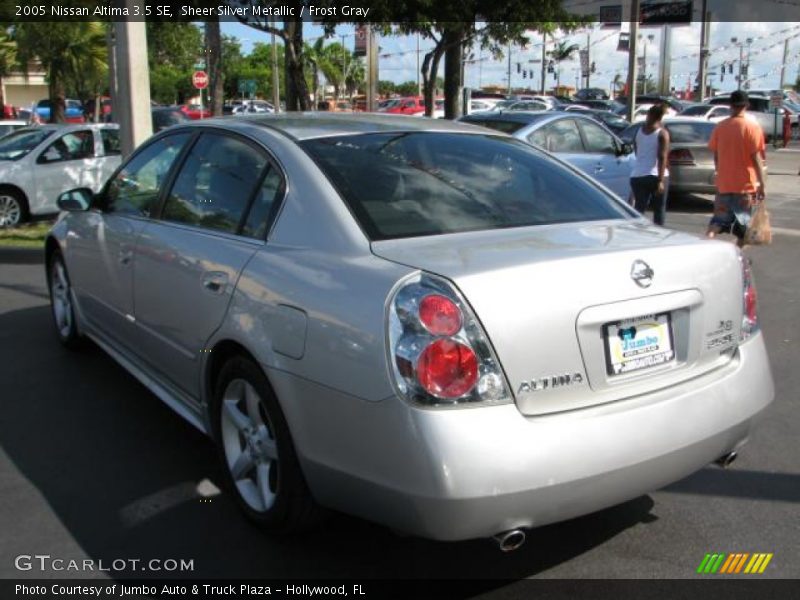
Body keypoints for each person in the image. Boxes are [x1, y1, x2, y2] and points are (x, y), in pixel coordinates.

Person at [706, 90, 766, 247]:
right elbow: (756, 158)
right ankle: (737, 256)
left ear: (730, 106)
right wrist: (762, 184)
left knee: (718, 222)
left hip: (724, 184)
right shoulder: (753, 128)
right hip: (745, 186)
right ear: (746, 105)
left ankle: (708, 241)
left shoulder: (720, 127)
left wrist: (720, 172)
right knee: (743, 229)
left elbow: (716, 155)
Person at [630, 104, 670, 226]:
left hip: (638, 175)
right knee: (659, 210)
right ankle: (659, 236)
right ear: (660, 117)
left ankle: (635, 233)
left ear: (649, 115)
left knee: (639, 209)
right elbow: (662, 157)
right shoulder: (662, 133)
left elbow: (637, 151)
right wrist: (661, 180)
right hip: (655, 175)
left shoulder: (639, 131)